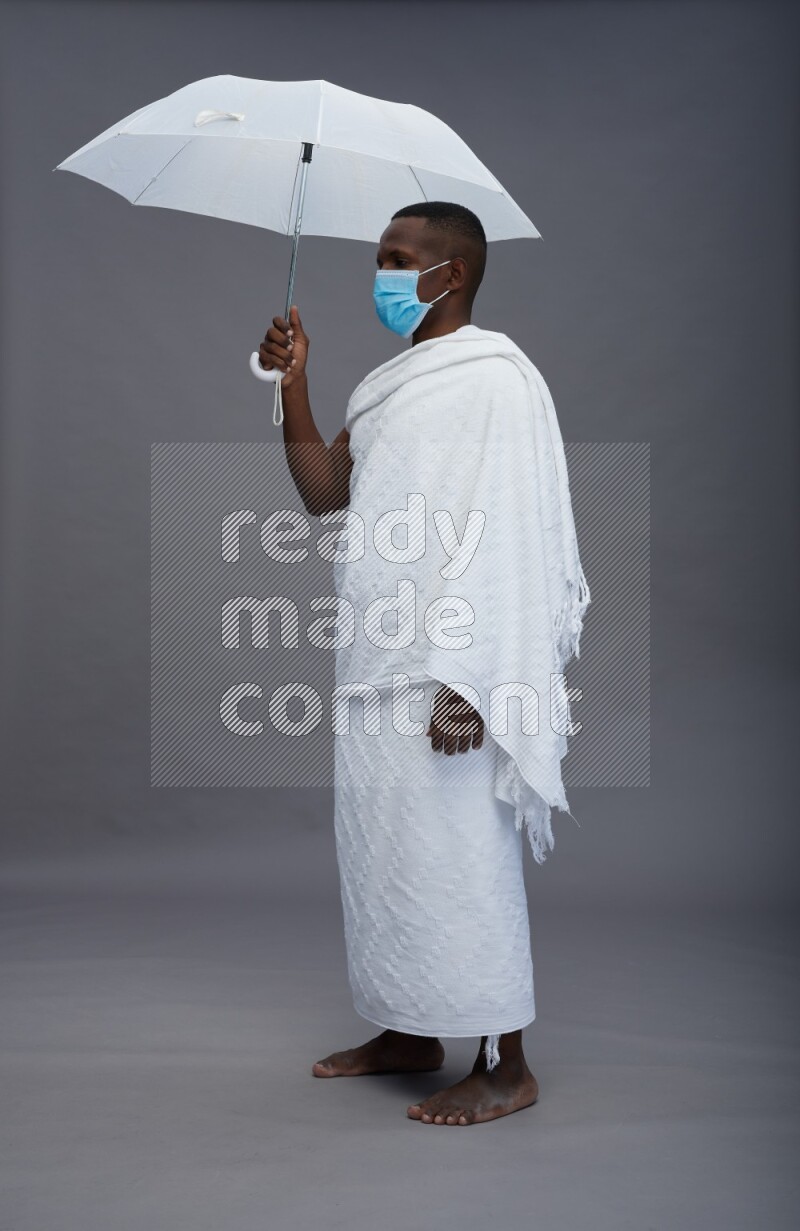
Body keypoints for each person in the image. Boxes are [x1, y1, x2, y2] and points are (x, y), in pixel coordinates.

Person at [256, 201, 589, 1126]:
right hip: (375, 657)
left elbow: (507, 536)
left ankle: (505, 1061)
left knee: (459, 861)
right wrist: (295, 385)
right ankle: (410, 1028)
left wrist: (471, 678)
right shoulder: (389, 384)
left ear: (454, 274)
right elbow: (327, 495)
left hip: (452, 670)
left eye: (400, 260)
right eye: (379, 258)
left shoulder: (496, 382)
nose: (384, 276)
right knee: (383, 860)